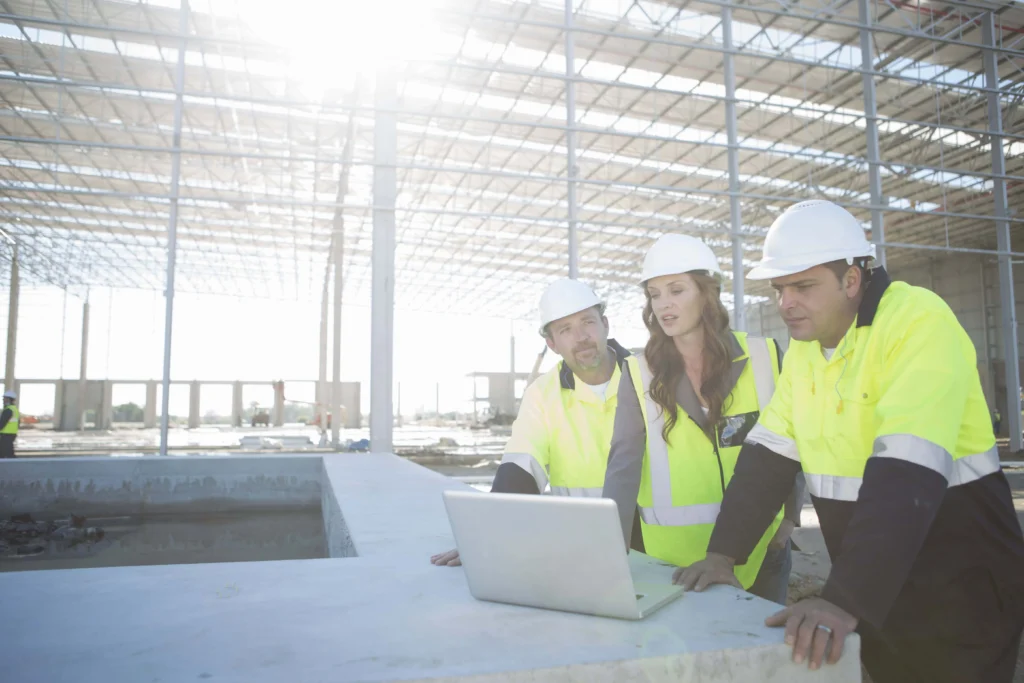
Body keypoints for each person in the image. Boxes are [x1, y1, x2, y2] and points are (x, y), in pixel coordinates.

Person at [677, 200, 1024, 682]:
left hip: (958, 580)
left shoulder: (917, 321)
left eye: (803, 285)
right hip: (878, 584)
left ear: (852, 280)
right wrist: (724, 554)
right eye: (779, 288)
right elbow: (768, 458)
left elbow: (907, 470)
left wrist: (845, 599)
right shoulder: (806, 351)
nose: (786, 302)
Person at [602, 234, 802, 604]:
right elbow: (623, 464)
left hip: (762, 550)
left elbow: (793, 441)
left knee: (763, 656)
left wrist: (789, 519)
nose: (664, 304)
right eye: (655, 294)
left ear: (707, 293)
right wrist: (605, 548)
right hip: (676, 562)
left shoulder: (766, 356)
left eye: (676, 290)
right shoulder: (638, 371)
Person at [432, 278, 640, 567]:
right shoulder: (542, 394)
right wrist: (488, 533)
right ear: (552, 344)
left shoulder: (650, 378)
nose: (580, 336)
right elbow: (521, 466)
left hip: (657, 545)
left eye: (587, 322)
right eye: (565, 329)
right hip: (583, 547)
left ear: (605, 324)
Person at [0, 389, 19, 459]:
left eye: (4, 398)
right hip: (12, 434)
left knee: (5, 453)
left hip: (6, 434)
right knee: (8, 452)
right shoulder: (15, 409)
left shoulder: (8, 410)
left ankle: (13, 466)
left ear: (9, 399)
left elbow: (1, 423)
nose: (3, 400)